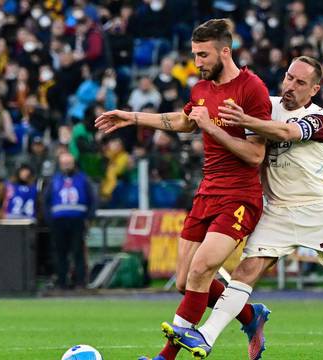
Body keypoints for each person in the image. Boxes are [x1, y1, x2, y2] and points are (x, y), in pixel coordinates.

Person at [163, 57, 323, 360]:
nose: (290, 86)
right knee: (246, 271)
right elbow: (196, 118)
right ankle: (206, 336)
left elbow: (285, 133)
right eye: (288, 77)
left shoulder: (319, 118)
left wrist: (243, 120)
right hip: (277, 210)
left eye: (300, 82)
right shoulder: (264, 104)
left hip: (317, 211)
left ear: (314, 89)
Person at [95, 19, 272, 360]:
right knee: (183, 282)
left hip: (240, 197)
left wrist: (212, 127)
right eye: (194, 55)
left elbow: (255, 154)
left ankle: (165, 357)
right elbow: (182, 121)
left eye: (203, 55)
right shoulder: (201, 88)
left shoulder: (252, 89)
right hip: (207, 193)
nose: (197, 62)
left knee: (201, 269)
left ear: (225, 50)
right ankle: (251, 316)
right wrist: (130, 117)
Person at [44, 152, 95, 289]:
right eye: (64, 163)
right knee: (60, 253)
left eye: (69, 163)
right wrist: (50, 220)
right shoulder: (54, 180)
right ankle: (62, 282)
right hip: (58, 222)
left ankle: (80, 282)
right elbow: (46, 201)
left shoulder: (83, 179)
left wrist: (89, 218)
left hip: (77, 221)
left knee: (78, 252)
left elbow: (92, 200)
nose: (67, 166)